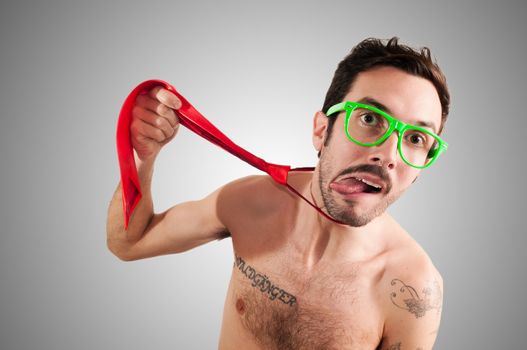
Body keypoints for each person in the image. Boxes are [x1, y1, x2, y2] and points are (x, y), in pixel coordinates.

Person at [106, 37, 450, 350]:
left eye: (416, 139)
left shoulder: (412, 289)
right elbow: (129, 242)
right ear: (321, 129)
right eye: (370, 119)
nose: (388, 155)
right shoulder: (249, 203)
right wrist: (142, 156)